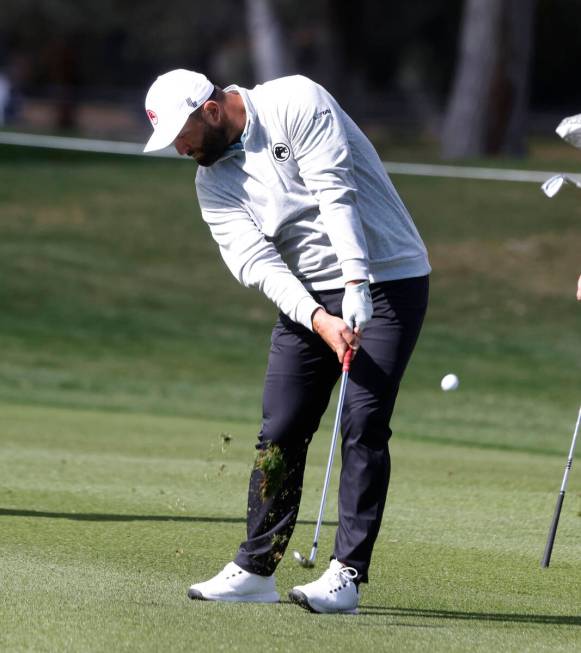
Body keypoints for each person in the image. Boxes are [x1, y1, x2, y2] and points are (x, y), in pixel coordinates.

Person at [143, 69, 431, 614]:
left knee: (363, 423)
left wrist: (355, 280)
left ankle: (346, 573)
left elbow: (334, 190)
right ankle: (256, 568)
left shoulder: (295, 99)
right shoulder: (211, 183)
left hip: (389, 277)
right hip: (308, 298)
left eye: (182, 135)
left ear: (209, 110)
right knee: (280, 426)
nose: (179, 150)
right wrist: (320, 317)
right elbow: (257, 264)